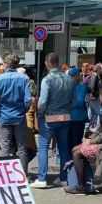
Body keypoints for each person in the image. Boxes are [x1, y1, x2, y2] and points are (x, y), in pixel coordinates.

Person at [31, 53, 74, 188]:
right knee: (63, 148)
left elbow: (43, 101)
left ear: (47, 63)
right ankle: (63, 178)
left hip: (49, 117)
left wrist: (39, 113)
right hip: (65, 116)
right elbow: (73, 101)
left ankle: (42, 178)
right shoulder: (69, 79)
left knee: (43, 147)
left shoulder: (47, 80)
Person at [0, 52, 32, 173]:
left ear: (6, 64)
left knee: (5, 147)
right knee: (22, 148)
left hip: (4, 116)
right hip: (19, 117)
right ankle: (23, 175)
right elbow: (28, 99)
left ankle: (4, 175)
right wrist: (24, 110)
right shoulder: (24, 78)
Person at [68, 67, 89, 149]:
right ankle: (75, 160)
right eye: (79, 74)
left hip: (68, 117)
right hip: (78, 118)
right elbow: (79, 102)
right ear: (76, 76)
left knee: (68, 142)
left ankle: (69, 160)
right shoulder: (82, 87)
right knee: (77, 142)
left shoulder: (66, 86)